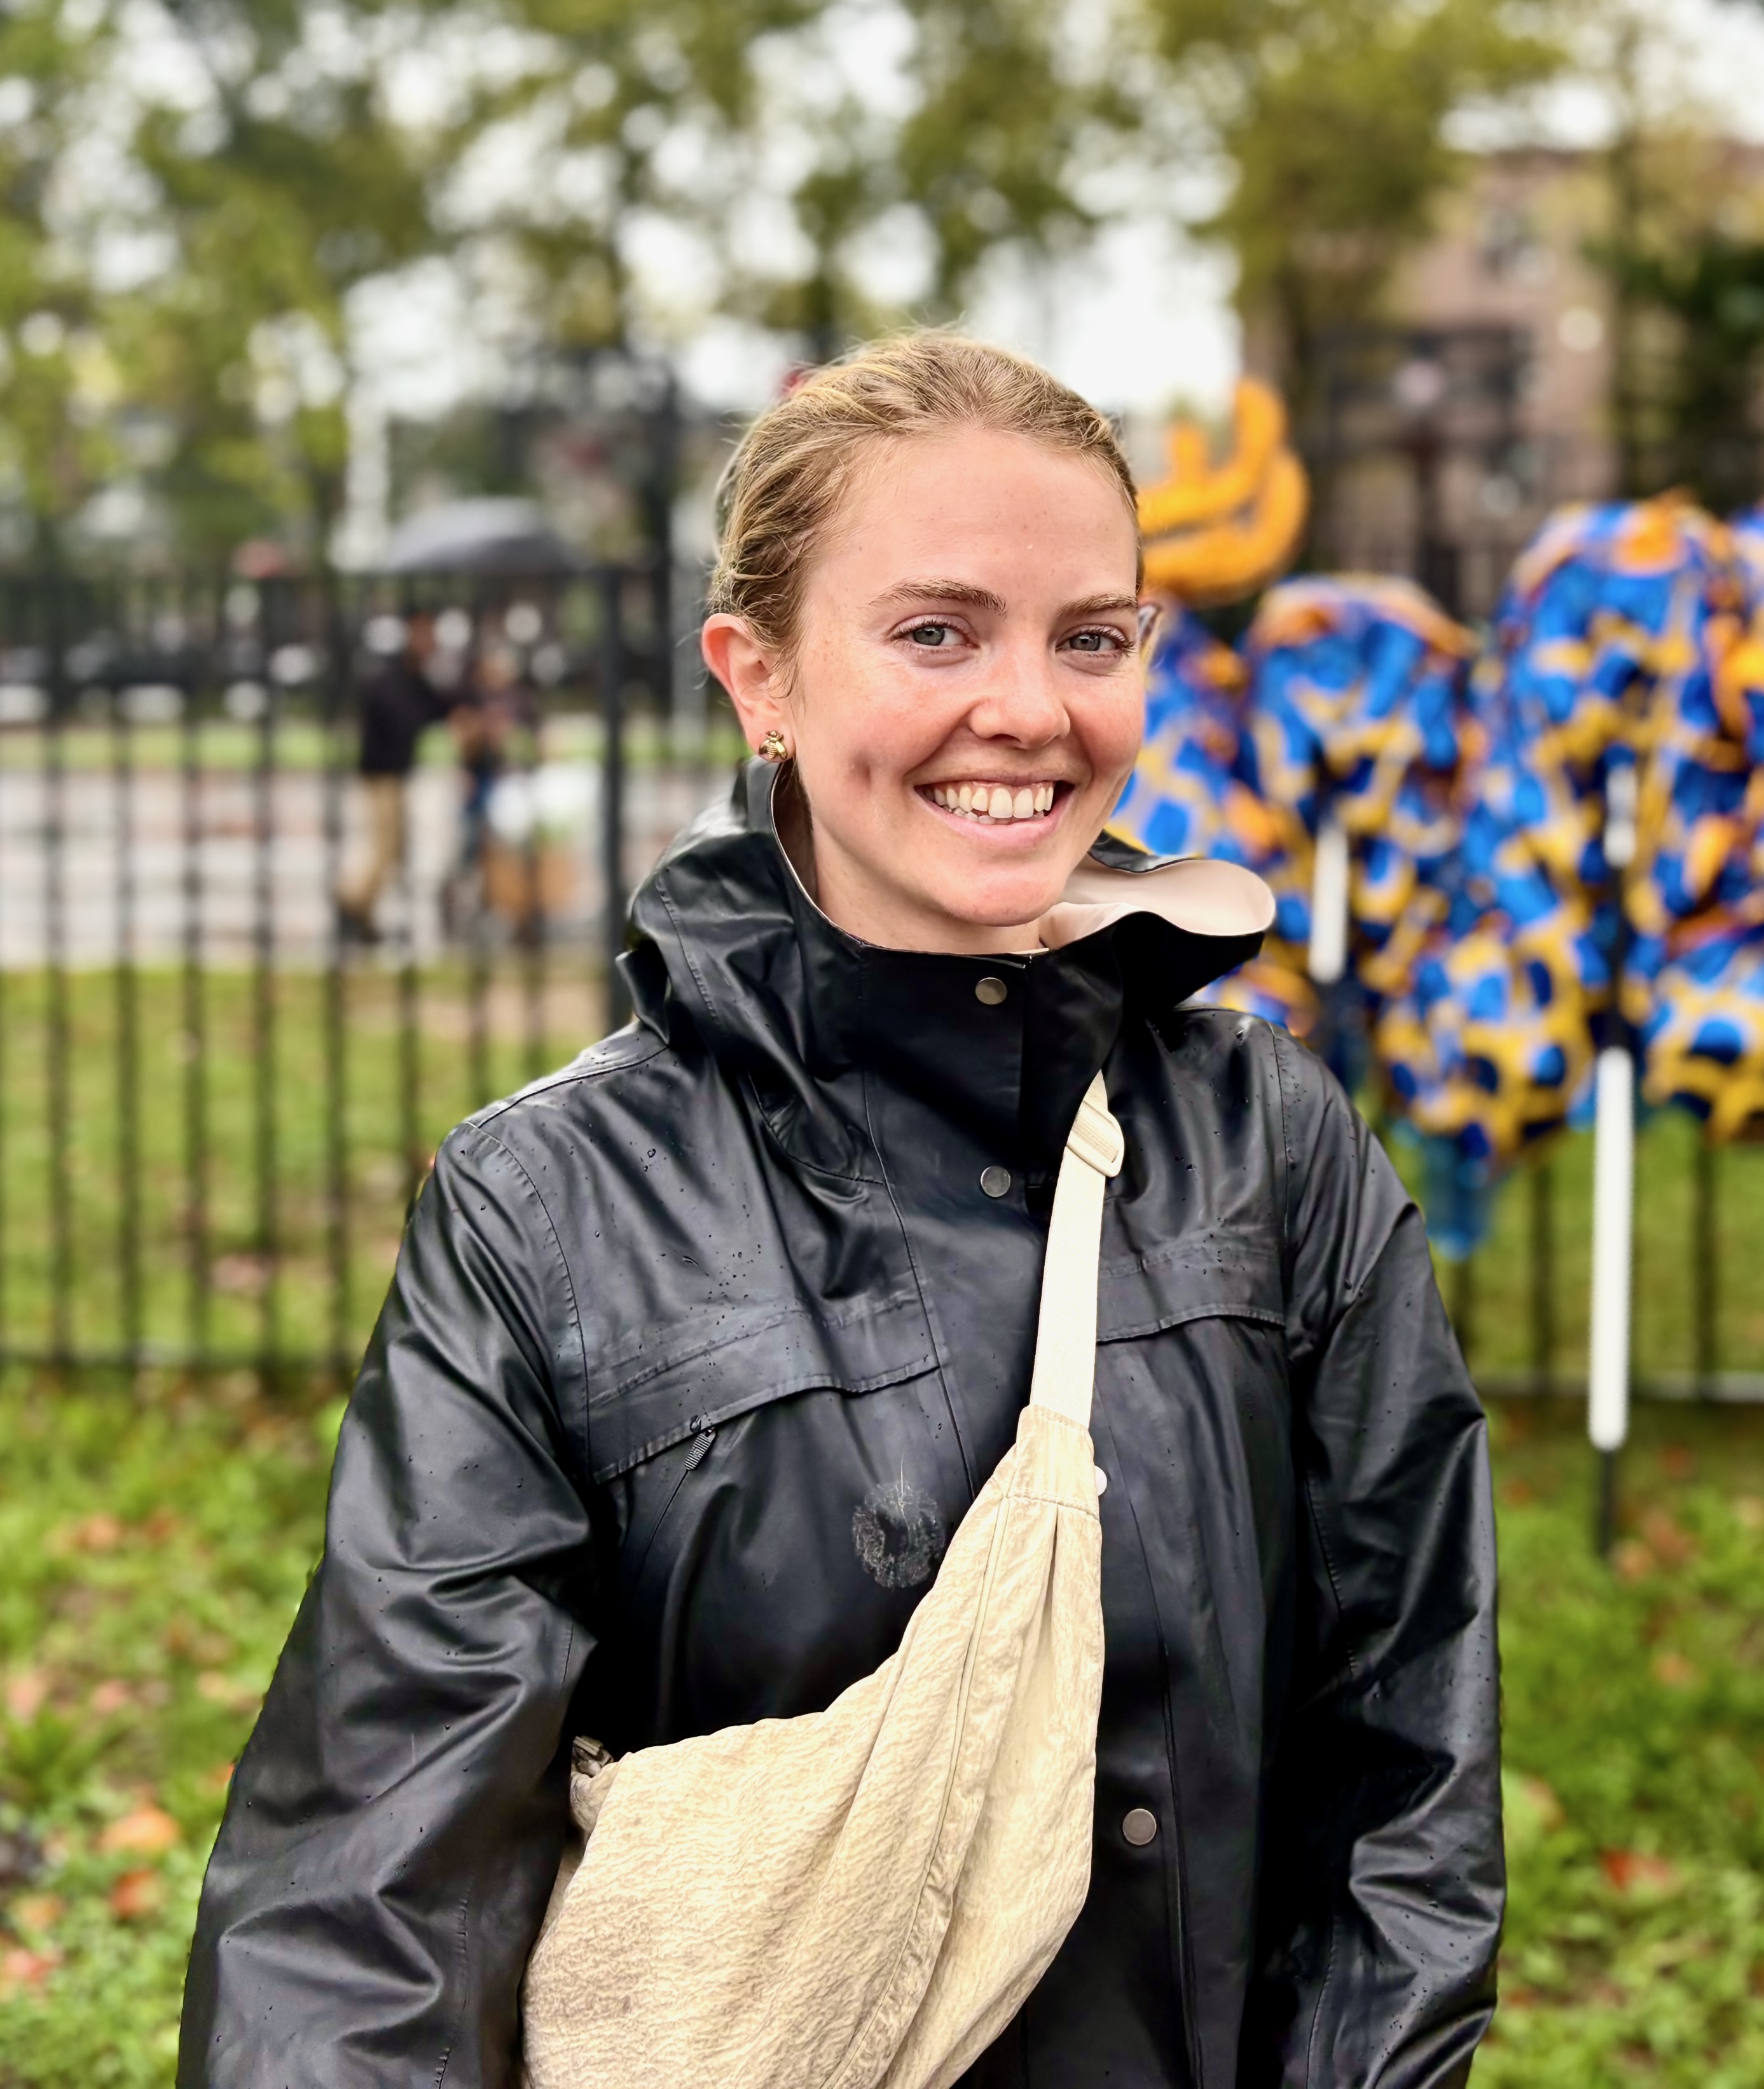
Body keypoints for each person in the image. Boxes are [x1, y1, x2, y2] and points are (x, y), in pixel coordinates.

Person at [180, 334, 1504, 2088]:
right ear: (762, 679)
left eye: (1090, 637)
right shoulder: (549, 1214)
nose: (1028, 707)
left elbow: (1405, 1770)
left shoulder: (1272, 1145)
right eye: (938, 632)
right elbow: (371, 1900)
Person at [333, 610, 444, 946]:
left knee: (393, 849)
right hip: (382, 774)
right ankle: (352, 903)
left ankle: (362, 913)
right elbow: (407, 717)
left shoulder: (413, 676)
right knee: (386, 846)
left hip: (394, 773)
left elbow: (437, 706)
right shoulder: (393, 677)